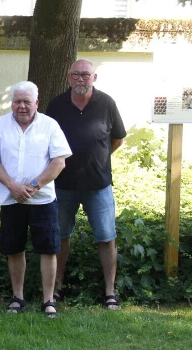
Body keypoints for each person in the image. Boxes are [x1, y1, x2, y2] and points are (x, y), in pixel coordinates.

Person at [0, 81, 71, 318]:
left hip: (42, 199)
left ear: (36, 103)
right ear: (12, 103)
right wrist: (12, 186)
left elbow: (59, 161)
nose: (22, 106)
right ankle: (17, 297)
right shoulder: (0, 126)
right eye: (17, 101)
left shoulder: (50, 125)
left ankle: (48, 300)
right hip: (11, 199)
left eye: (26, 102)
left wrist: (33, 186)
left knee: (48, 250)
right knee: (14, 249)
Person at [46, 59, 126, 310]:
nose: (81, 79)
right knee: (60, 237)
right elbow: (45, 140)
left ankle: (110, 292)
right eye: (76, 75)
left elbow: (117, 139)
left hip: (98, 184)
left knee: (106, 236)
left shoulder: (107, 103)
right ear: (69, 77)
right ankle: (57, 288)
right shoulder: (56, 105)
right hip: (62, 184)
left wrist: (97, 158)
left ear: (94, 78)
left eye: (86, 75)